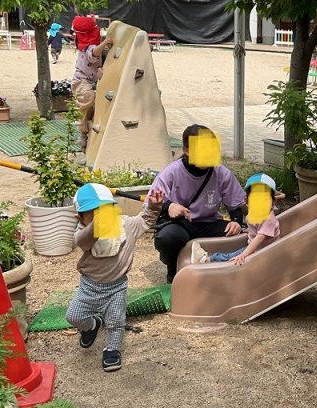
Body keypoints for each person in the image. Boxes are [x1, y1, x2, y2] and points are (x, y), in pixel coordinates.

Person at [66, 183, 165, 372]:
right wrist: (96, 226)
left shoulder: (125, 225)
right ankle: (92, 325)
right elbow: (83, 241)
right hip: (89, 286)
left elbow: (144, 220)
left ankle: (112, 349)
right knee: (74, 316)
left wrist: (154, 206)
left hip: (117, 287)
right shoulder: (82, 233)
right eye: (93, 214)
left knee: (116, 322)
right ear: (80, 217)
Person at [147, 124, 245, 283]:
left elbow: (235, 206)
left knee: (240, 237)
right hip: (181, 224)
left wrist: (236, 222)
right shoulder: (171, 172)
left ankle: (221, 269)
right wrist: (168, 206)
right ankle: (173, 270)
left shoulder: (222, 173)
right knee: (167, 237)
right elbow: (150, 203)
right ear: (186, 150)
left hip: (209, 223)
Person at [191, 173, 282, 266]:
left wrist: (244, 255)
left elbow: (260, 238)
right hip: (257, 249)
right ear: (247, 202)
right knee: (233, 254)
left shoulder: (269, 219)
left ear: (273, 202)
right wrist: (250, 230)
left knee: (231, 257)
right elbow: (258, 229)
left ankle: (206, 260)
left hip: (265, 253)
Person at [71, 15, 113, 150]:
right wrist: (105, 43)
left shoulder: (89, 44)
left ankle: (87, 130)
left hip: (91, 81)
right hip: (81, 81)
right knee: (87, 99)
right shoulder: (87, 47)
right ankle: (82, 132)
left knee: (96, 104)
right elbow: (93, 54)